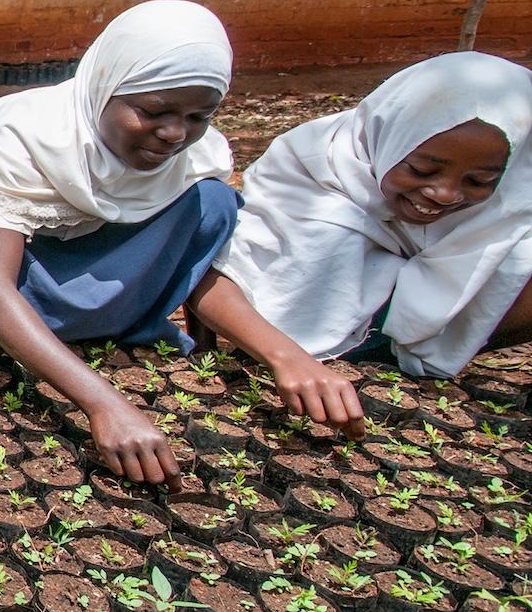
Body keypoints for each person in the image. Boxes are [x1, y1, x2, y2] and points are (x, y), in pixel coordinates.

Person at [0, 0, 253, 489]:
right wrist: (103, 402)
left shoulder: (199, 155)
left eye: (200, 115)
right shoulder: (22, 132)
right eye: (153, 111)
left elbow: (203, 266)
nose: (175, 133)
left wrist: (283, 357)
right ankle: (30, 345)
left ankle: (82, 336)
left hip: (90, 280)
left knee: (213, 201)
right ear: (105, 85)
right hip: (4, 288)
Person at [210, 51, 532, 380]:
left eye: (479, 181)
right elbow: (214, 274)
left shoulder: (510, 199)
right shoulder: (317, 169)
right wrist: (284, 356)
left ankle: (408, 368)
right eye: (422, 170)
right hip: (290, 342)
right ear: (389, 138)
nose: (445, 193)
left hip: (402, 338)